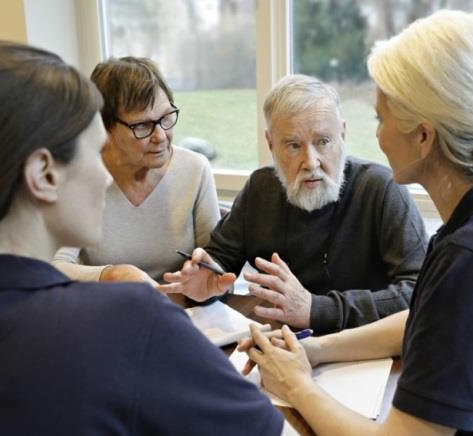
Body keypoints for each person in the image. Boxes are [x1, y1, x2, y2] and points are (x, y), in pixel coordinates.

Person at [239, 10, 473, 435]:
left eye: (381, 119)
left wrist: (295, 385)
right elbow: (428, 319)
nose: (379, 136)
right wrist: (312, 351)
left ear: (424, 137)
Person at [0, 40, 283, 435]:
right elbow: (259, 427)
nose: (105, 177)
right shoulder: (126, 320)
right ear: (44, 175)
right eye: (92, 152)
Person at [162, 74, 428, 333]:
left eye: (323, 142)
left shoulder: (381, 189)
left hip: (366, 352)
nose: (311, 162)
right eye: (293, 145)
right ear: (270, 144)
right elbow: (221, 260)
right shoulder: (260, 188)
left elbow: (421, 291)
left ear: (343, 135)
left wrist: (316, 308)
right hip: (281, 342)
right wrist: (205, 284)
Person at [53, 56, 224, 302]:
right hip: (108, 312)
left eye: (166, 118)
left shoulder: (195, 169)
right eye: (143, 126)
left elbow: (215, 259)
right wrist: (111, 274)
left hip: (183, 314)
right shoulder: (78, 177)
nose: (161, 136)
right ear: (104, 127)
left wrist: (207, 275)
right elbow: (55, 265)